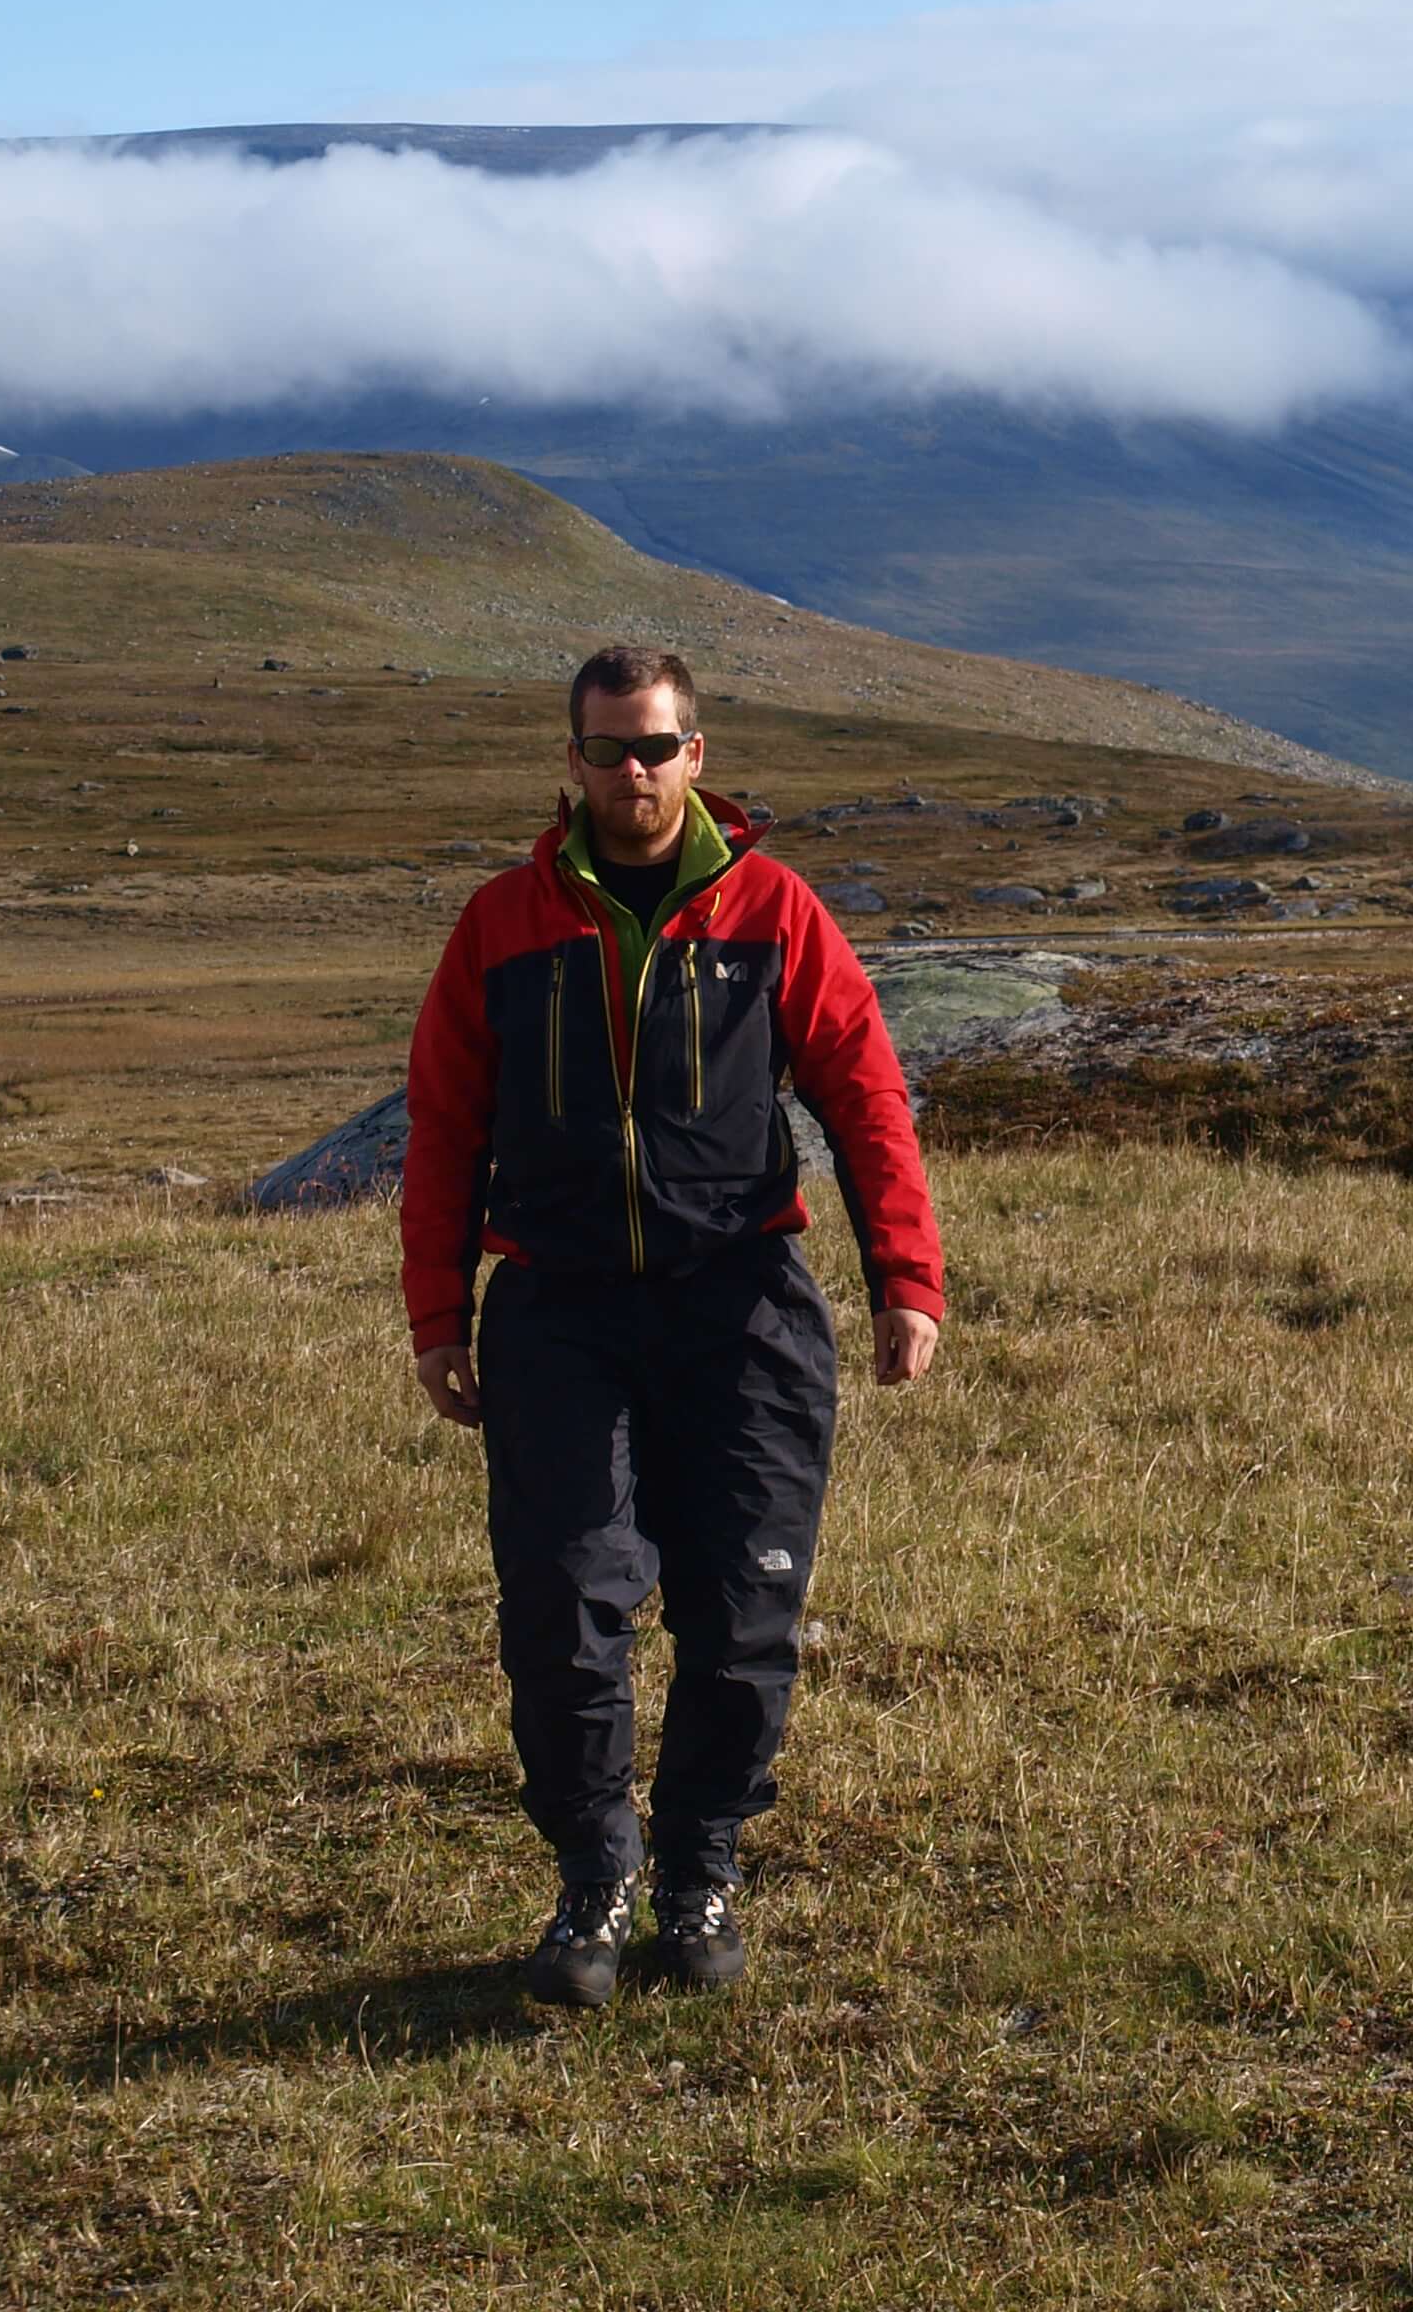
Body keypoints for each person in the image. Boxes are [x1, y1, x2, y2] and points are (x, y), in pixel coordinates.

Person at [401, 643, 944, 2007]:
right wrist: (437, 1313)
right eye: (607, 750)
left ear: (698, 757)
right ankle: (595, 1877)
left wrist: (906, 1279)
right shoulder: (502, 927)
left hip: (742, 1301)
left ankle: (700, 1869)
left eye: (655, 748)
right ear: (569, 764)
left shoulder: (774, 912)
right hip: (556, 1311)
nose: (631, 773)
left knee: (744, 1604)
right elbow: (446, 1129)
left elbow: (864, 1095)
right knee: (564, 1609)